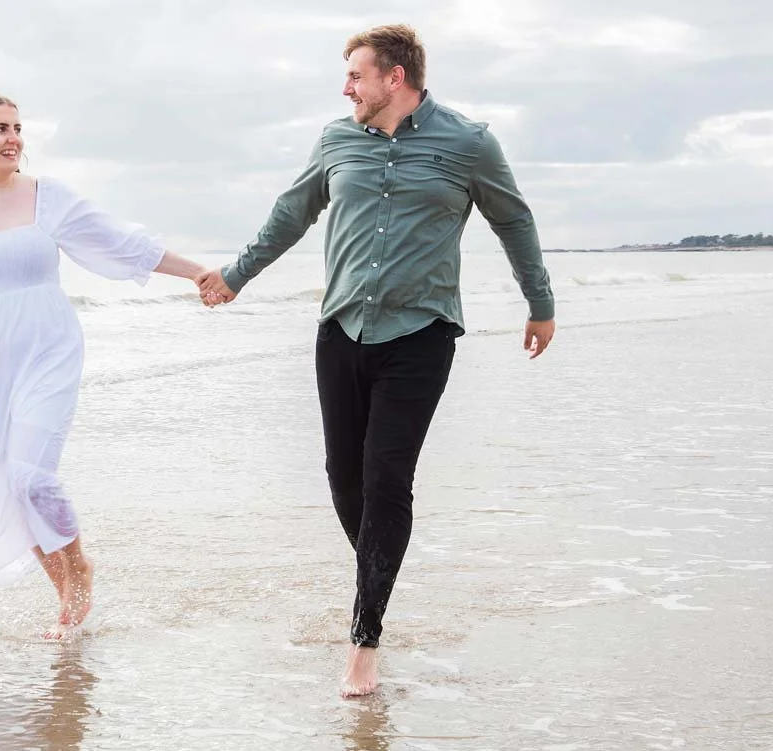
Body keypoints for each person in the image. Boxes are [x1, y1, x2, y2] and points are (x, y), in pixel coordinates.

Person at [196, 24, 557, 696]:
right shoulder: (336, 140)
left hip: (422, 334)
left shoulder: (468, 142)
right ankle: (378, 571)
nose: (346, 88)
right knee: (344, 478)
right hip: (341, 332)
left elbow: (514, 219)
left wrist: (539, 302)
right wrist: (237, 273)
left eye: (356, 76)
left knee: (387, 479)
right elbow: (290, 213)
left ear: (396, 77)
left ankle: (364, 638)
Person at [0, 93, 210, 639]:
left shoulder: (46, 197)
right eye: (0, 129)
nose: (14, 138)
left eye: (17, 128)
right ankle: (61, 585)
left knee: (30, 474)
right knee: (9, 483)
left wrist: (198, 273)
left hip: (47, 349)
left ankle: (78, 565)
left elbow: (121, 242)